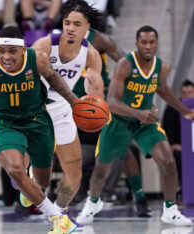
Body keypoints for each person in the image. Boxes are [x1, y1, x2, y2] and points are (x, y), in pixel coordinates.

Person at [76, 25, 194, 227]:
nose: (148, 46)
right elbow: (111, 101)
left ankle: (170, 210)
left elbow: (162, 89)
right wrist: (139, 112)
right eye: (144, 42)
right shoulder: (125, 64)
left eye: (152, 42)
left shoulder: (161, 67)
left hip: (145, 124)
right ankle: (93, 202)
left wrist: (184, 110)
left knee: (168, 162)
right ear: (136, 44)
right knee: (100, 171)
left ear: (157, 44)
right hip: (119, 122)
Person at [0, 25, 82, 233]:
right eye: (1, 51)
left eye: (12, 51)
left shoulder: (37, 59)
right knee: (14, 169)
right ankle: (59, 219)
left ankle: (31, 181)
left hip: (37, 121)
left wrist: (74, 101)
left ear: (23, 50)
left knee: (43, 180)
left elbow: (54, 80)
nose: (6, 56)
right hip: (6, 124)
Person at [31, 0, 104, 226]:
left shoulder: (90, 54)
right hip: (36, 110)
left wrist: (93, 103)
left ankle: (60, 216)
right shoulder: (44, 45)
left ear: (87, 28)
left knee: (74, 174)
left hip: (63, 110)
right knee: (35, 172)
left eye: (76, 24)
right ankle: (28, 180)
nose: (70, 28)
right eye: (67, 23)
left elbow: (95, 86)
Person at [73, 28, 152, 217]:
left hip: (101, 100)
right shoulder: (60, 41)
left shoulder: (97, 38)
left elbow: (127, 62)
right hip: (74, 99)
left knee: (122, 148)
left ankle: (138, 197)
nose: (71, 25)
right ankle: (50, 199)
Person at [162, 79, 194, 200]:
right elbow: (167, 129)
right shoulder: (172, 109)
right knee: (177, 155)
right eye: (184, 93)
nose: (186, 95)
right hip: (179, 148)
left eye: (189, 93)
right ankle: (182, 189)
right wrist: (173, 144)